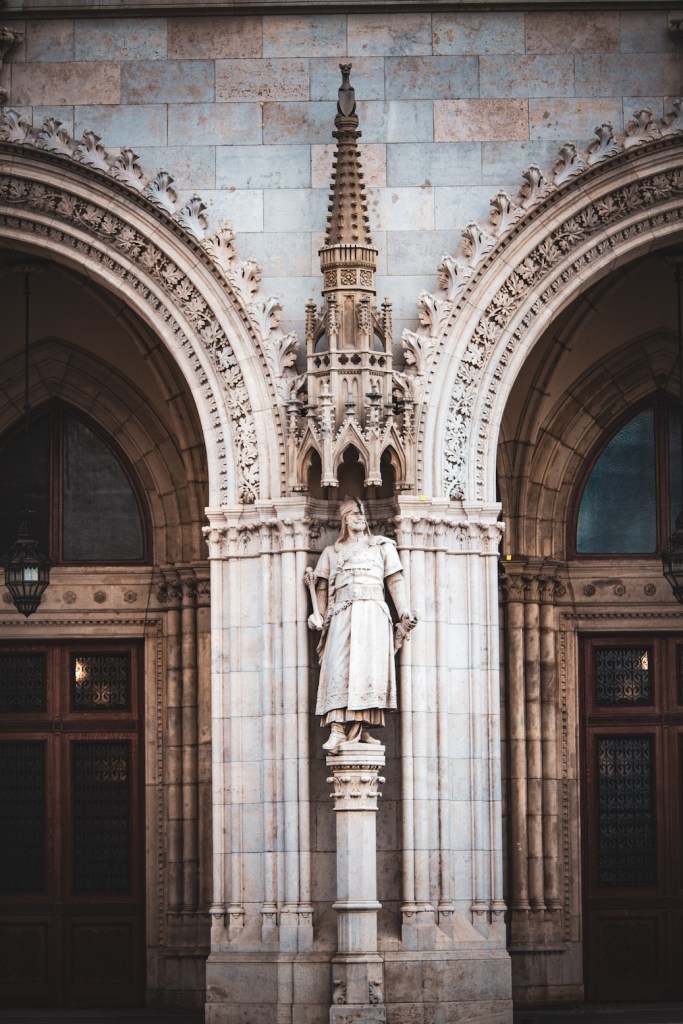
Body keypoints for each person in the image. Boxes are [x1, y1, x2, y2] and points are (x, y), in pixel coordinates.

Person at [304, 497, 417, 752]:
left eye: (361, 513)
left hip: (373, 614)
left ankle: (362, 727)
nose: (359, 517)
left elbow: (395, 580)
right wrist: (319, 615)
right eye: (353, 513)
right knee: (338, 665)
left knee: (368, 669)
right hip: (342, 613)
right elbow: (321, 587)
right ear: (344, 519)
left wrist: (404, 612)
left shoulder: (382, 547)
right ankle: (336, 728)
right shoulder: (331, 552)